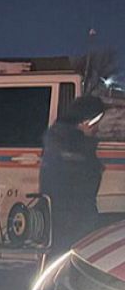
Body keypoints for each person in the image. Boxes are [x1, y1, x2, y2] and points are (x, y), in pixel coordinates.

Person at [40, 95, 106, 250]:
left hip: (71, 219)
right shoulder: (71, 147)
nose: (97, 128)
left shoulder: (62, 141)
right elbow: (78, 186)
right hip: (69, 221)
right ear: (84, 122)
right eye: (94, 123)